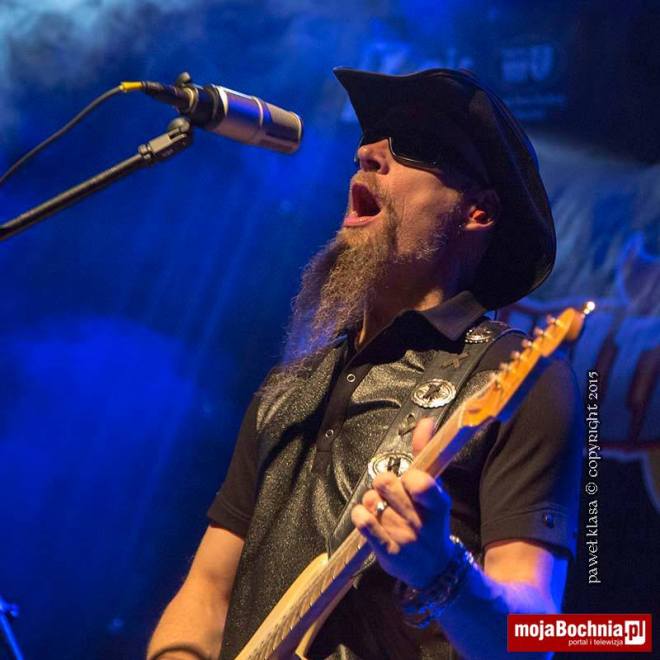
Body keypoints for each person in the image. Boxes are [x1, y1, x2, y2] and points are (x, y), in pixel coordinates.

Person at [147, 67, 583, 660]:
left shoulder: (522, 380)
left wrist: (441, 571)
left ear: (478, 212)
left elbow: (535, 637)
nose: (367, 153)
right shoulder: (288, 390)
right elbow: (206, 594)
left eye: (414, 146)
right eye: (369, 141)